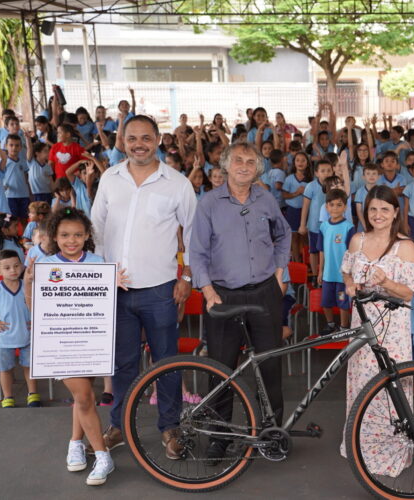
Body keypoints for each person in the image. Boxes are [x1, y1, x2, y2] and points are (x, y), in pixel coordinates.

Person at [91, 115, 197, 458]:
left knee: (166, 361)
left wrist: (186, 277)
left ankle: (170, 428)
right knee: (122, 364)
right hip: (116, 291)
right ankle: (119, 426)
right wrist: (96, 279)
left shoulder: (178, 183)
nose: (139, 144)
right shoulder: (110, 178)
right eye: (132, 138)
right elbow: (96, 229)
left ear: (158, 139)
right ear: (123, 139)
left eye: (146, 138)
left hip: (160, 291)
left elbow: (193, 234)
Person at [190, 141, 290, 461]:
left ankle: (271, 432)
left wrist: (279, 271)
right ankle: (220, 436)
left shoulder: (266, 199)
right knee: (221, 368)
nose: (244, 166)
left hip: (265, 292)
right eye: (238, 161)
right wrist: (207, 292)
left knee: (269, 364)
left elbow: (284, 234)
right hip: (224, 295)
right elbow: (197, 253)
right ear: (226, 165)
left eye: (251, 161)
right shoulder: (208, 204)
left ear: (258, 168)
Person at [24, 207, 129, 485]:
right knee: (83, 396)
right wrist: (28, 283)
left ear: (87, 236)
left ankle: (75, 442)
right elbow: (35, 308)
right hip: (61, 341)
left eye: (78, 235)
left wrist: (112, 283)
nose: (72, 240)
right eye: (65, 235)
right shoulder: (45, 265)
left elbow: (105, 302)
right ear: (54, 237)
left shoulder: (97, 261)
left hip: (91, 339)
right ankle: (103, 455)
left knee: (83, 397)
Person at [340, 184, 414, 475]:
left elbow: (408, 294)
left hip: (392, 327)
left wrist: (386, 281)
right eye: (373, 209)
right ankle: (360, 447)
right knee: (362, 384)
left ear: (395, 213)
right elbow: (347, 272)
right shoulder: (357, 241)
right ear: (366, 211)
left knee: (391, 386)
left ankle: (391, 451)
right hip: (363, 322)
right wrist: (350, 285)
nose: (378, 214)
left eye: (384, 209)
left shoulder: (405, 246)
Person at [0, 250, 40, 408]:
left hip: (27, 335)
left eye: (16, 266)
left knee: (29, 366)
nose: (13, 270)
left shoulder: (28, 286)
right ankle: (8, 396)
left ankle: (33, 394)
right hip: (4, 337)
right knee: (5, 369)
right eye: (7, 268)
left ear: (22, 266)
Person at [317, 189, 355, 334]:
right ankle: (331, 324)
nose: (335, 208)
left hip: (342, 276)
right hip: (328, 275)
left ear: (345, 207)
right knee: (326, 302)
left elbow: (352, 253)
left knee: (343, 302)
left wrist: (350, 273)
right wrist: (320, 270)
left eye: (339, 205)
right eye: (331, 205)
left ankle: (344, 327)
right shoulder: (323, 227)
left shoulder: (348, 227)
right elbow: (321, 250)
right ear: (326, 207)